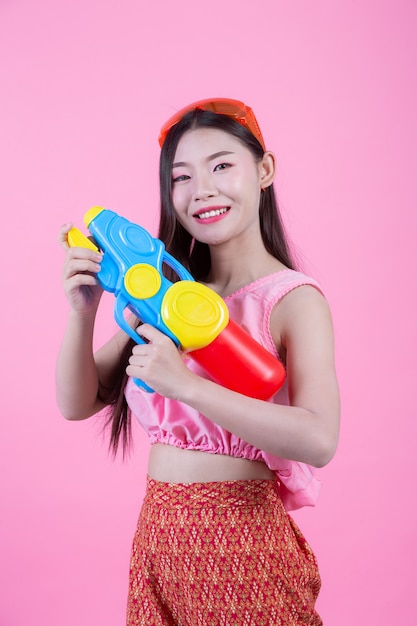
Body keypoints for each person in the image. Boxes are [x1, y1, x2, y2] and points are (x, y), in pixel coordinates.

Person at [56, 98, 340, 625]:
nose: (201, 189)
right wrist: (83, 313)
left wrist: (186, 385)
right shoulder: (167, 294)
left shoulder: (293, 300)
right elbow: (78, 402)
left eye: (222, 166)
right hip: (159, 542)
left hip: (244, 550)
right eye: (181, 176)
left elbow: (319, 439)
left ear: (265, 169)